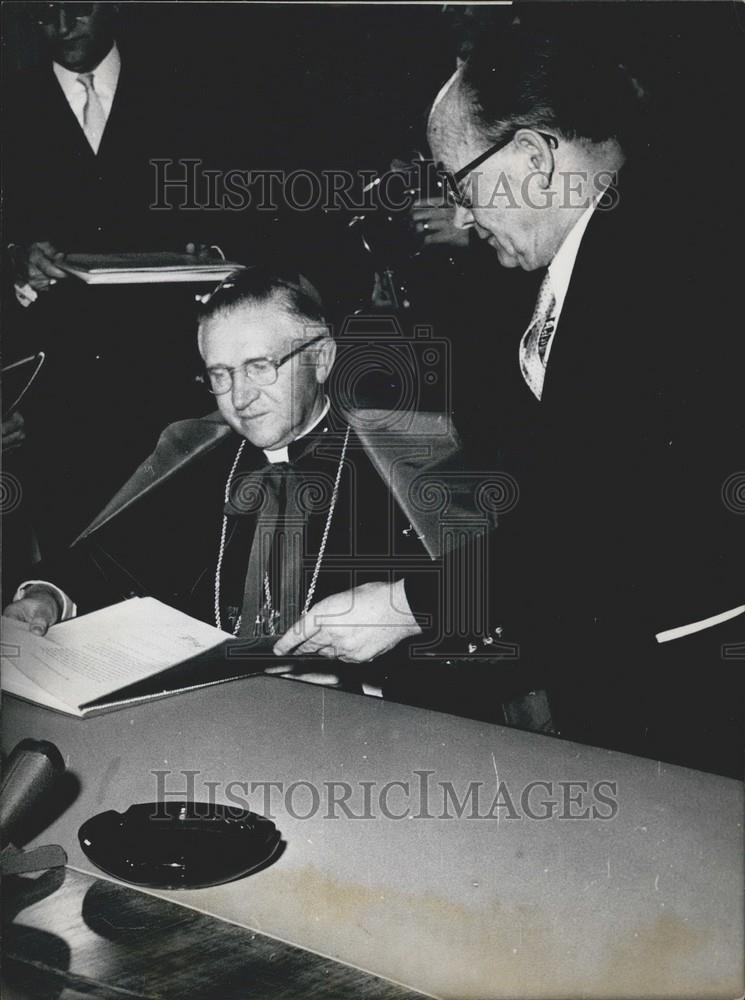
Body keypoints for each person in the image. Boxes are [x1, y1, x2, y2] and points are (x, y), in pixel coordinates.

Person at [398, 26, 744, 774]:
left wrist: (401, 605)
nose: (462, 215)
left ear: (532, 157)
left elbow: (595, 528)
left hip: (693, 692)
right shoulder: (621, 240)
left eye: (459, 183)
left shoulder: (657, 272)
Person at [4, 268, 478, 679]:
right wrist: (46, 596)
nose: (239, 397)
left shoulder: (406, 463)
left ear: (322, 359)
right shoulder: (197, 455)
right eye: (220, 375)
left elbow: (478, 599)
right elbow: (109, 559)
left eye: (260, 367)